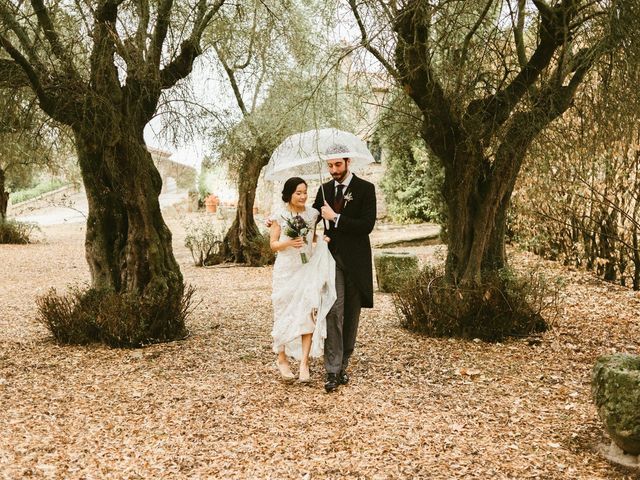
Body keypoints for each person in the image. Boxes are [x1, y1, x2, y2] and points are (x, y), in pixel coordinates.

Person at [312, 151, 376, 393]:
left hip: (356, 261)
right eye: (329, 166)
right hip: (331, 260)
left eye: (337, 165)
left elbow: (366, 226)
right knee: (332, 310)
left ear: (348, 162)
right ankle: (331, 369)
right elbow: (311, 218)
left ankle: (343, 364)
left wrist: (336, 218)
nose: (334, 170)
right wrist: (284, 221)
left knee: (351, 313)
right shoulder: (324, 190)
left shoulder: (365, 189)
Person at [269, 177, 336, 383]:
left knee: (308, 312)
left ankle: (304, 364)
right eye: (298, 193)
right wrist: (288, 242)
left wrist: (321, 240)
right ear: (289, 194)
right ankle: (281, 358)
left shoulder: (312, 214)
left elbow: (313, 237)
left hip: (306, 269)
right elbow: (273, 245)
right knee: (283, 312)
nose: (303, 196)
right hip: (285, 270)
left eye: (305, 192)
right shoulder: (279, 215)